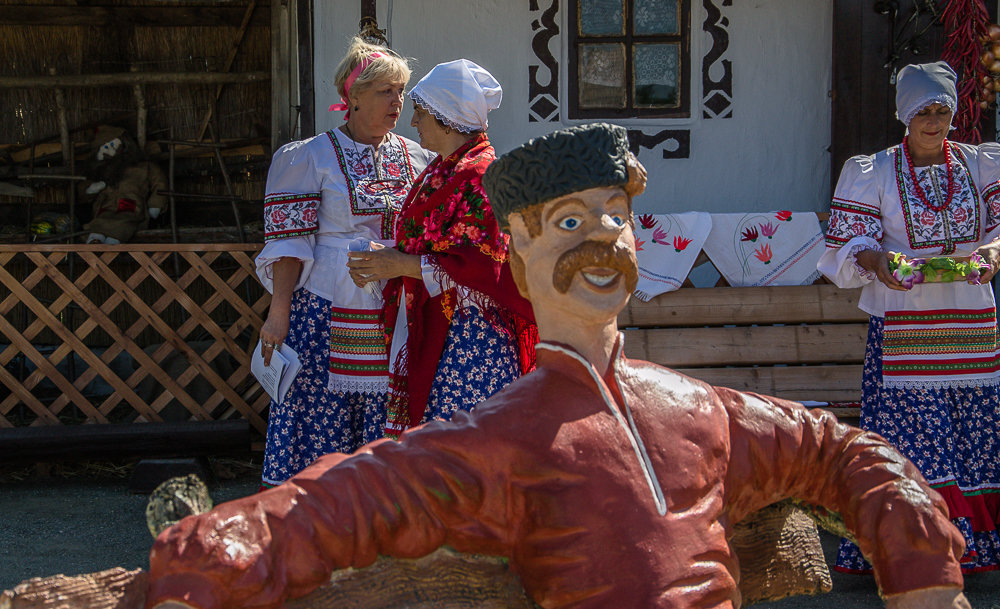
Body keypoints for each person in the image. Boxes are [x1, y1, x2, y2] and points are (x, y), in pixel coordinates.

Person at [147, 123, 969, 609]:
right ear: (521, 253)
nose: (606, 238)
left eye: (618, 216)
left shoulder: (704, 409)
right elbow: (331, 503)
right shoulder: (499, 439)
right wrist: (200, 564)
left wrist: (922, 561)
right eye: (572, 221)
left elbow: (839, 450)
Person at [818, 61, 1000, 574]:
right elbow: (851, 247)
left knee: (970, 434)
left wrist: (991, 253)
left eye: (942, 109)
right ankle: (912, 547)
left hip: (970, 326)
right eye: (923, 110)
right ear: (904, 115)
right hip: (906, 330)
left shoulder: (981, 165)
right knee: (914, 437)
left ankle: (970, 549)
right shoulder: (872, 172)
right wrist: (881, 263)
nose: (934, 119)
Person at [254, 37, 435, 488]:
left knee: (386, 412)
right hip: (323, 309)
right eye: (385, 91)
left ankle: (378, 517)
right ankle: (313, 519)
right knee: (319, 412)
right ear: (352, 97)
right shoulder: (308, 157)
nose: (398, 102)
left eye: (400, 91)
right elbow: (289, 243)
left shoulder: (418, 158)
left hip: (394, 312)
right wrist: (278, 314)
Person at [346, 59, 536, 437]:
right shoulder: (441, 171)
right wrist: (387, 258)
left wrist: (398, 264)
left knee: (467, 448)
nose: (413, 122)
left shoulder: (481, 176)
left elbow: (483, 266)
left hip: (472, 342)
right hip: (442, 330)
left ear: (447, 120)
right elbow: (433, 245)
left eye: (420, 113)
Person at [82, 125, 167, 245]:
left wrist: (155, 205)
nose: (109, 150)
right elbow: (82, 191)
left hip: (132, 206)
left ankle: (111, 244)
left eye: (112, 145)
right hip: (105, 207)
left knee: (125, 222)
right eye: (105, 147)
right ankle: (95, 239)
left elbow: (159, 184)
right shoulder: (101, 170)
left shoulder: (144, 167)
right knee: (99, 222)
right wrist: (92, 189)